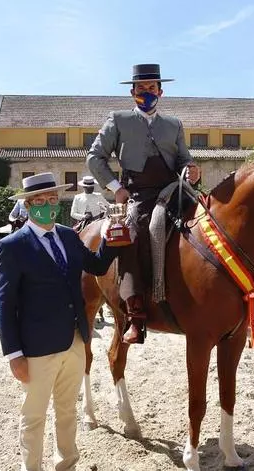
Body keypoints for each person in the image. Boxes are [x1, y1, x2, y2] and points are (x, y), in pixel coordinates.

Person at [0, 172, 120, 471]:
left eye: (53, 199)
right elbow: (5, 303)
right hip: (36, 349)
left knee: (67, 411)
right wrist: (13, 354)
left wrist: (112, 236)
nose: (49, 205)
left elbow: (97, 264)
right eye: (41, 201)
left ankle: (67, 464)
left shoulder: (67, 235)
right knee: (34, 417)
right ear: (28, 206)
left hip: (74, 341)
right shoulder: (13, 246)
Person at [86, 63, 201, 344]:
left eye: (152, 87)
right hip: (137, 193)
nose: (147, 92)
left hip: (174, 189)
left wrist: (192, 169)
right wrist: (117, 188)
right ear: (132, 92)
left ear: (161, 91)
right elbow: (94, 157)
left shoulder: (174, 124)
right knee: (132, 235)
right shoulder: (118, 120)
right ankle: (136, 313)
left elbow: (184, 158)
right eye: (141, 88)